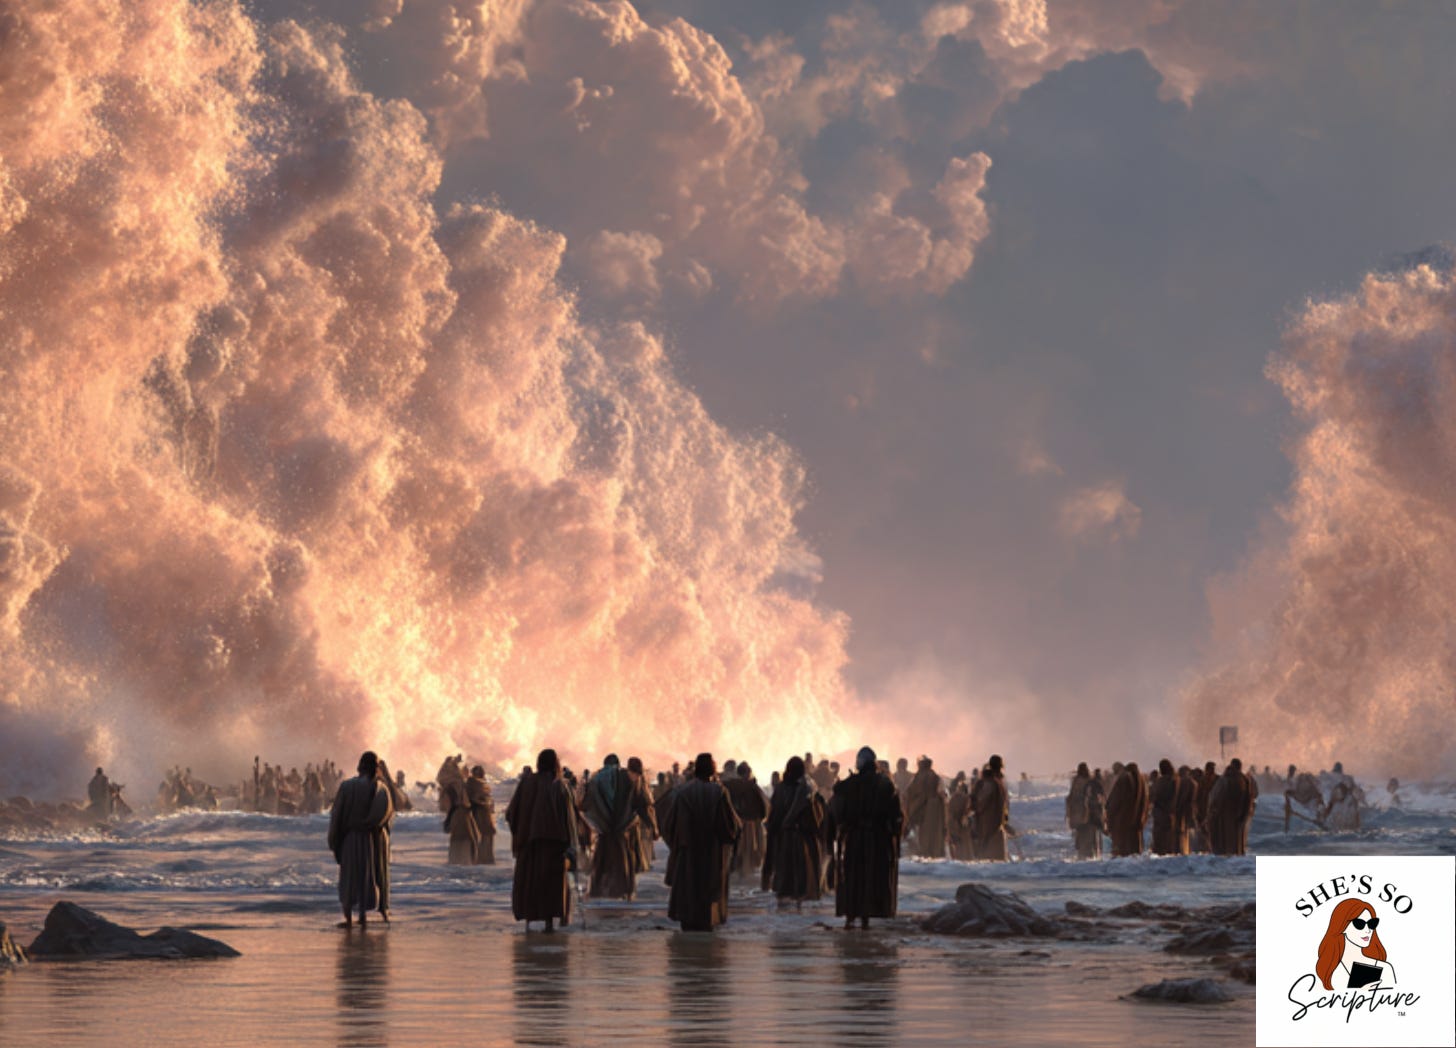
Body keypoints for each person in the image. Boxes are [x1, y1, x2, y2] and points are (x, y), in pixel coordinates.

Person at [661, 753, 741, 932]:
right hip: (712, 853)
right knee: (708, 901)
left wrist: (678, 844)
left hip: (687, 852)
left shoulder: (682, 793)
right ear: (712, 769)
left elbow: (668, 826)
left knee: (687, 896)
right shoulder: (719, 792)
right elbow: (730, 827)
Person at [505, 749, 579, 932]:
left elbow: (511, 813)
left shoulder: (526, 783)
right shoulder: (560, 785)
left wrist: (521, 832)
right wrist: (571, 845)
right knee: (551, 887)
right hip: (554, 848)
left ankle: (530, 922)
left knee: (531, 884)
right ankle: (549, 924)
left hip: (529, 846)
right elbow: (569, 819)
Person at [828, 747, 902, 929]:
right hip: (877, 840)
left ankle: (851, 915)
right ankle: (865, 917)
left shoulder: (848, 785)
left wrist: (838, 830)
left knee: (854, 876)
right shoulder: (886, 784)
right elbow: (896, 816)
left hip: (855, 839)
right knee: (871, 877)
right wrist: (893, 835)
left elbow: (837, 811)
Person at [327, 751, 394, 928]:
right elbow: (386, 818)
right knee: (368, 877)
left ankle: (348, 919)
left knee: (349, 877)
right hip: (373, 841)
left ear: (360, 766)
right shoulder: (381, 789)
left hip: (351, 838)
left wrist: (334, 841)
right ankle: (363, 916)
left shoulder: (347, 787)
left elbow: (337, 816)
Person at [762, 757, 824, 907]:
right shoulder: (809, 789)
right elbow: (817, 816)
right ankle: (797, 911)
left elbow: (774, 814)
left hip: (785, 838)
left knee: (786, 876)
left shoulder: (782, 789)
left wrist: (774, 830)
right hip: (803, 838)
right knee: (801, 875)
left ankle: (786, 914)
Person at [582, 754, 641, 899]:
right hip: (620, 830)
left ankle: (598, 891)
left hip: (603, 829)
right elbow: (634, 804)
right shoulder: (625, 777)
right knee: (622, 862)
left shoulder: (595, 778)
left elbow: (586, 806)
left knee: (601, 862)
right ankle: (623, 892)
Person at [1316, 899, 1396, 990]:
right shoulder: (1331, 968)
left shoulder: (1384, 969)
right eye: (1359, 924)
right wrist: (1360, 992)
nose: (1368, 930)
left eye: (1371, 924)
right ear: (1342, 926)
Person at [725, 762, 768, 879]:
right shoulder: (751, 786)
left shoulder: (729, 785)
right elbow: (763, 806)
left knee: (739, 850)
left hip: (736, 822)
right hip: (749, 823)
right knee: (747, 850)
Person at [1206, 758, 1254, 856]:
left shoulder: (1225, 779)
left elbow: (1215, 798)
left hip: (1224, 816)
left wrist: (1213, 813)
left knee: (1225, 845)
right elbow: (1249, 798)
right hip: (1239, 815)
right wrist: (1245, 815)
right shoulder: (1244, 780)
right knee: (1237, 845)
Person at [904, 756, 948, 858]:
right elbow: (942, 793)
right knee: (935, 835)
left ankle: (926, 855)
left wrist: (911, 810)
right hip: (935, 808)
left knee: (925, 835)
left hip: (924, 808)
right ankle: (935, 855)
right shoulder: (935, 776)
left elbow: (910, 793)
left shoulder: (919, 776)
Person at [972, 755, 1010, 861]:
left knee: (990, 849)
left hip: (992, 820)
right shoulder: (993, 781)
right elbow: (982, 800)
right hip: (991, 820)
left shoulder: (993, 780)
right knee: (991, 849)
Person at [1105, 761, 1148, 857]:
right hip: (1136, 820)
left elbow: (1115, 800)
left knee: (1122, 848)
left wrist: (1109, 814)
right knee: (1134, 848)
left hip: (1122, 819)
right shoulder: (1141, 779)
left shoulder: (1124, 778)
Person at [627, 757, 659, 872]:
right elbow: (645, 804)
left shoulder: (628, 780)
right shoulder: (638, 781)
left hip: (631, 821)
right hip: (638, 821)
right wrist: (653, 825)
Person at [1065, 762, 1102, 859]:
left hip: (1080, 815)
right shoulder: (1089, 781)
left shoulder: (1077, 781)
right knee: (1089, 836)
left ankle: (1084, 856)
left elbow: (1071, 798)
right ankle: (1089, 856)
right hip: (1088, 814)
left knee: (1083, 836)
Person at [442, 773, 479, 865]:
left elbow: (448, 805)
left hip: (459, 815)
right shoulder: (460, 786)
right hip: (464, 815)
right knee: (466, 837)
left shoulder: (451, 788)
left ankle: (459, 862)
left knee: (459, 839)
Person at [466, 765, 497, 865]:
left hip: (485, 811)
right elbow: (472, 798)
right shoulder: (472, 783)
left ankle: (486, 858)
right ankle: (483, 858)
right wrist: (483, 802)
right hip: (479, 812)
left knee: (488, 833)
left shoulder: (480, 783)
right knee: (484, 833)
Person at [1149, 758, 1179, 855]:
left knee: (1160, 837)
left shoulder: (1161, 781)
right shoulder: (1175, 780)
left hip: (1160, 812)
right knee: (1168, 837)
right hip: (1170, 812)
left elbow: (1154, 796)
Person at [947, 778, 974, 860]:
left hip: (951, 825)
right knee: (965, 851)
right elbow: (967, 813)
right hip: (962, 828)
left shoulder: (952, 798)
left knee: (955, 850)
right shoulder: (966, 798)